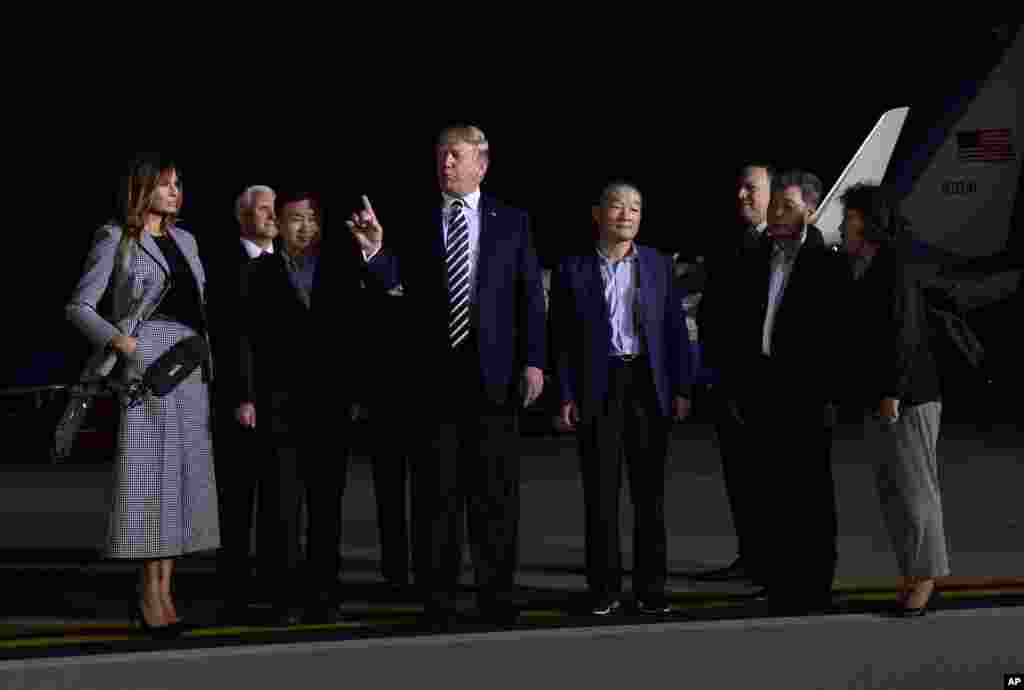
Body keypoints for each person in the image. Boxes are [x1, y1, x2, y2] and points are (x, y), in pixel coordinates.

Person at [348, 123, 547, 628]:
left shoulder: (513, 221)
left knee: (495, 494)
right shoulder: (416, 219)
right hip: (433, 380)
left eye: (455, 156)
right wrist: (375, 251)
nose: (446, 165)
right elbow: (397, 288)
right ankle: (438, 599)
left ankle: (497, 594)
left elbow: (530, 296)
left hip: (494, 377)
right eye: (440, 157)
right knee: (436, 495)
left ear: (482, 161)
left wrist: (535, 361)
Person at [66, 153, 219, 636]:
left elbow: (201, 306)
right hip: (145, 364)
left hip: (188, 367)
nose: (176, 192)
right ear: (142, 189)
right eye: (167, 185)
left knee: (181, 486)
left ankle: (167, 593)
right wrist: (122, 342)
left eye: (179, 184)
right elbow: (78, 307)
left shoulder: (187, 241)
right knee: (150, 485)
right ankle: (148, 596)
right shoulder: (117, 238)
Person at [549, 181, 694, 615]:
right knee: (601, 494)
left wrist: (682, 388)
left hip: (647, 385)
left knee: (649, 496)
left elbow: (674, 332)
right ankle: (604, 589)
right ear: (597, 214)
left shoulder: (656, 265)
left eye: (635, 208)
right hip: (598, 386)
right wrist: (566, 394)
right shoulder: (572, 268)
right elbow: (560, 339)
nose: (627, 215)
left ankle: (651, 589)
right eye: (617, 207)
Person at [725, 169, 841, 612]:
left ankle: (814, 585)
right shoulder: (757, 259)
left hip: (806, 398)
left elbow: (836, 338)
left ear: (810, 212)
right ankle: (780, 581)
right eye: (773, 205)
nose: (775, 213)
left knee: (810, 496)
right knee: (772, 493)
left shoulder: (825, 264)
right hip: (763, 393)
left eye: (787, 206)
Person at [837, 182, 949, 615]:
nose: (844, 225)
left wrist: (891, 392)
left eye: (849, 217)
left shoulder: (895, 264)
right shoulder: (862, 265)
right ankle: (911, 573)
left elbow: (905, 333)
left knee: (916, 491)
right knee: (894, 492)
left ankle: (925, 579)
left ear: (869, 221)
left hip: (908, 398)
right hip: (881, 398)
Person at [203, 184, 282, 623]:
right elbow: (232, 339)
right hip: (243, 403)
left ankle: (272, 588)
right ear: (243, 218)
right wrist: (242, 396)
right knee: (237, 503)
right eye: (264, 210)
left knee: (276, 501)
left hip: (283, 403)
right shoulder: (226, 266)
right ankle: (232, 592)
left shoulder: (284, 264)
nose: (272, 216)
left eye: (274, 208)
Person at [693, 163, 773, 583]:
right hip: (730, 386)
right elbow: (711, 314)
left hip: (772, 390)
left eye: (751, 188)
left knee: (772, 481)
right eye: (739, 188)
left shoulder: (785, 249)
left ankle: (776, 561)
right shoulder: (727, 247)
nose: (742, 195)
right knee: (740, 478)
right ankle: (751, 556)